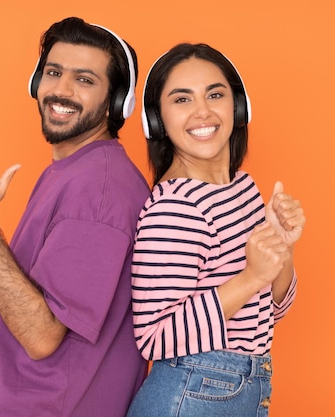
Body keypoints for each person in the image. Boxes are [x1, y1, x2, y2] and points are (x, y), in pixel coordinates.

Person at [0, 17, 149, 417]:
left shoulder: (99, 191)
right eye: (54, 72)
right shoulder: (74, 172)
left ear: (116, 103)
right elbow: (7, 330)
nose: (61, 90)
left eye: (84, 79)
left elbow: (41, 336)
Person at [126, 43, 306, 417]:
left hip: (236, 388)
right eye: (181, 100)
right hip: (190, 395)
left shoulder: (242, 187)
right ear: (157, 121)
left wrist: (280, 252)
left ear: (237, 107)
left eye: (215, 94)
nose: (202, 112)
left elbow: (268, 314)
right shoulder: (174, 208)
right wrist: (251, 275)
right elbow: (154, 338)